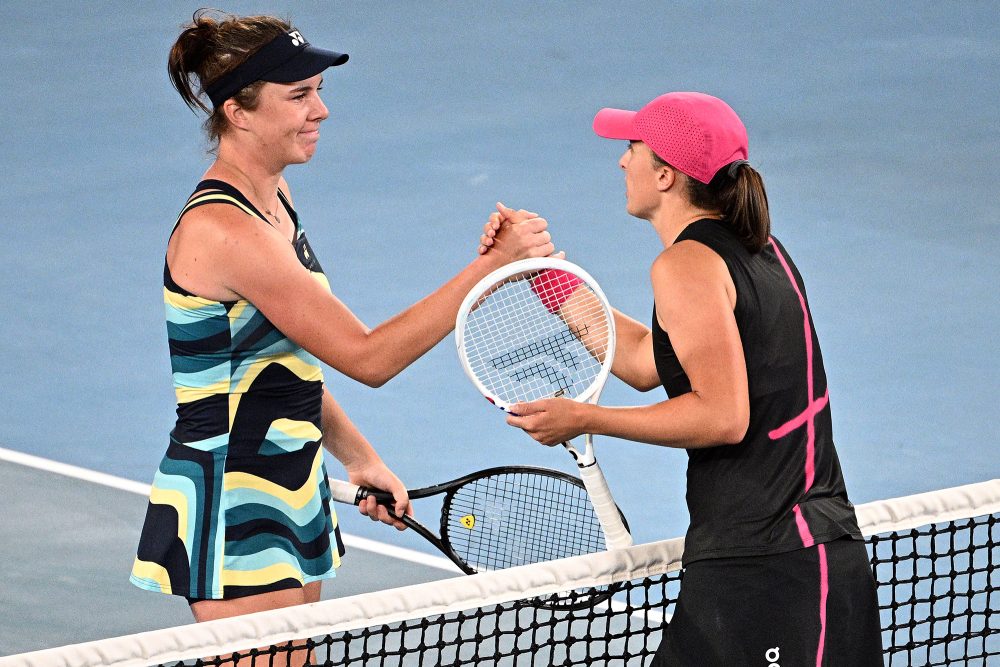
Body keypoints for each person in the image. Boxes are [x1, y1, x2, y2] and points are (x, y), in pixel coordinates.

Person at [130, 9, 556, 625]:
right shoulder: (226, 231)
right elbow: (368, 357)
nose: (320, 111)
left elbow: (276, 365)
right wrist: (489, 269)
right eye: (298, 95)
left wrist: (357, 458)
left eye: (319, 92)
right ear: (238, 112)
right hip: (237, 498)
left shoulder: (272, 198)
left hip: (289, 482)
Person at [496, 93, 883, 665]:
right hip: (780, 561)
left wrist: (585, 418)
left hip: (772, 574)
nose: (621, 162)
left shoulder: (684, 266)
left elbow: (722, 416)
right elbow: (649, 361)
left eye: (632, 148)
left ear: (666, 175)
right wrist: (540, 274)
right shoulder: (757, 251)